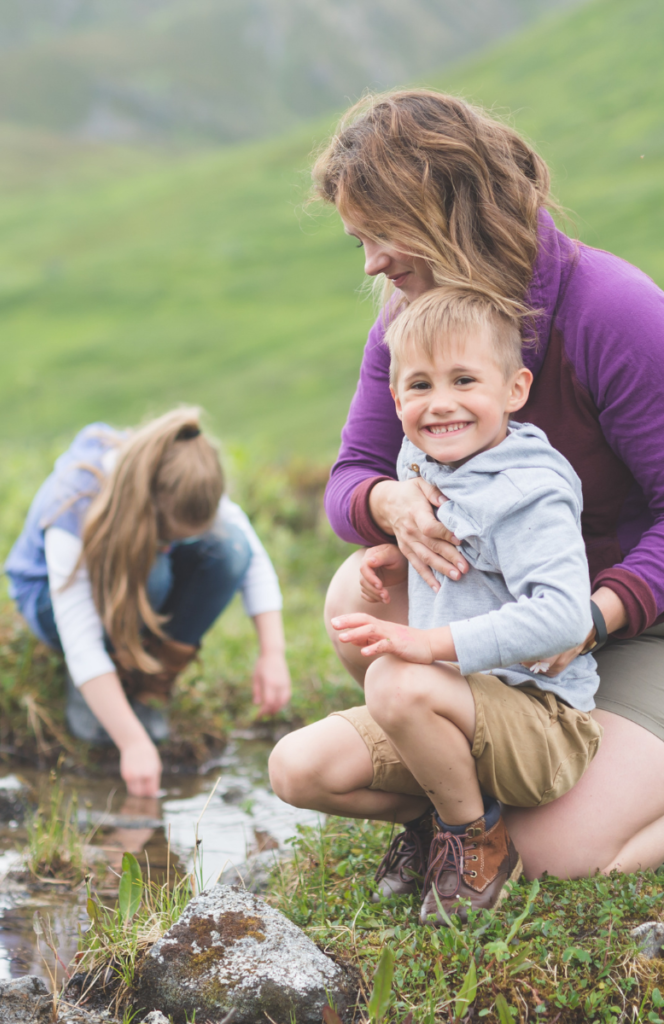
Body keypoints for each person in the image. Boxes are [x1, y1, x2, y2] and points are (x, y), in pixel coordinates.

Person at [268, 88, 664, 889]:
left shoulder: (613, 313)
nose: (374, 262)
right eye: (359, 243)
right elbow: (351, 475)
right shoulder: (412, 320)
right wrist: (387, 504)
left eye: (383, 233)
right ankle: (468, 811)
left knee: (558, 856)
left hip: (632, 623)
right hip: (505, 619)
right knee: (358, 591)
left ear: (452, 207)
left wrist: (594, 615)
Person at [329, 286, 603, 924]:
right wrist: (397, 555)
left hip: (543, 722)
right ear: (395, 398)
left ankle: (472, 842)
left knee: (394, 681)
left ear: (514, 389)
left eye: (463, 380)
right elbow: (474, 558)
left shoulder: (529, 488)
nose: (441, 403)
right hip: (462, 704)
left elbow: (564, 616)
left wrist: (429, 645)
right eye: (419, 385)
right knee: (294, 769)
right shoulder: (422, 460)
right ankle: (442, 822)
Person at [6, 408, 291, 796]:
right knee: (153, 571)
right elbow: (80, 639)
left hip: (128, 578)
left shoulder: (189, 477)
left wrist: (272, 653)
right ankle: (102, 690)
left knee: (229, 548)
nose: (172, 545)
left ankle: (146, 684)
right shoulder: (74, 504)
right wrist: (132, 743)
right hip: (49, 601)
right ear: (146, 504)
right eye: (167, 534)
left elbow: (251, 557)